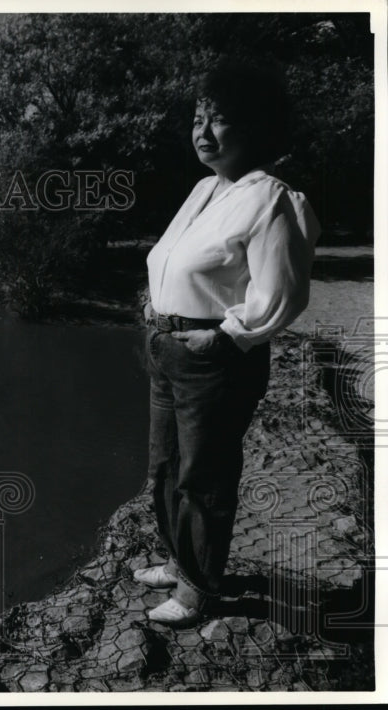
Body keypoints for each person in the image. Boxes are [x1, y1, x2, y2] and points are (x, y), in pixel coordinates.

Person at [134, 62, 321, 626]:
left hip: (212, 358)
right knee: (165, 466)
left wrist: (227, 337)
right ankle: (180, 562)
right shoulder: (203, 189)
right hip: (168, 350)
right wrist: (151, 300)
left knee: (206, 476)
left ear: (257, 129)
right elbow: (174, 262)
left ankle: (198, 591)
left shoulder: (272, 199)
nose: (204, 132)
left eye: (220, 121)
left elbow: (282, 292)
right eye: (198, 119)